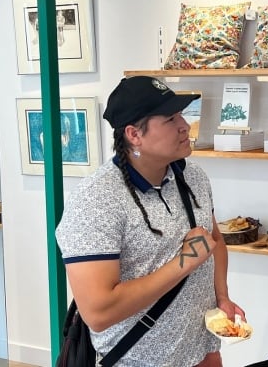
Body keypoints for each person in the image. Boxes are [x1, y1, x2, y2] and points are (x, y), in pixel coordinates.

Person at [56, 76, 245, 367]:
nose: (185, 125)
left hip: (202, 350)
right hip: (137, 360)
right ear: (134, 134)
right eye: (171, 119)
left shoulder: (191, 175)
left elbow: (214, 241)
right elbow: (99, 312)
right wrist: (185, 261)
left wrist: (222, 297)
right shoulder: (96, 199)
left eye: (182, 114)